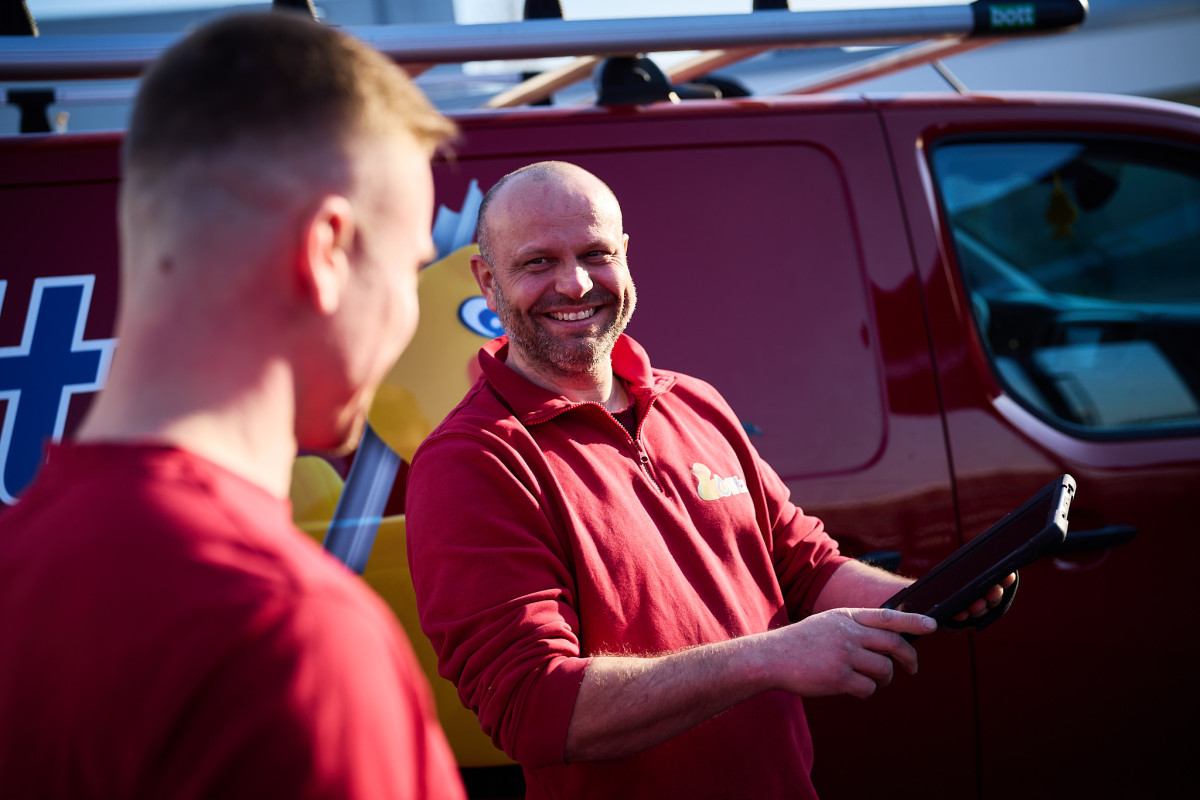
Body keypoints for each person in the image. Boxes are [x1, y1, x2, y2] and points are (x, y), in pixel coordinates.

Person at [404, 161, 1014, 799]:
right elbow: (533, 707)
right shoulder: (472, 460)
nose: (575, 283)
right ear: (487, 280)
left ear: (626, 257)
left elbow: (806, 569)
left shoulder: (694, 403)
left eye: (595, 253)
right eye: (536, 263)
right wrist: (771, 656)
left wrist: (931, 597)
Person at [0, 11, 465, 800]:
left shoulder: (21, 564)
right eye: (411, 268)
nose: (409, 314)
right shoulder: (288, 635)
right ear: (325, 252)